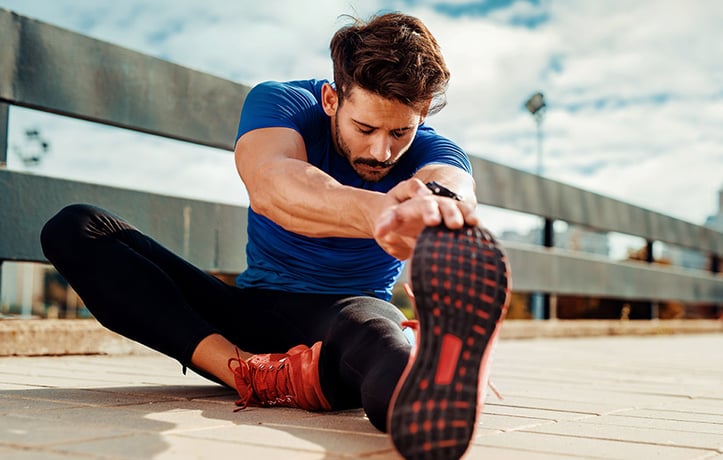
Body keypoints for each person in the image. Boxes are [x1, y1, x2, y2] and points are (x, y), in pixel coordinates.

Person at [40, 12, 510, 460]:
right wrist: (381, 212)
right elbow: (272, 184)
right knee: (76, 228)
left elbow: (451, 187)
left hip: (347, 316)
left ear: (422, 113)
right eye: (365, 127)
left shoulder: (436, 150)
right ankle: (248, 373)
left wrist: (440, 210)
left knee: (381, 346)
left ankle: (437, 391)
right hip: (249, 313)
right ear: (332, 99)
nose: (381, 150)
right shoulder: (281, 103)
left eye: (400, 132)